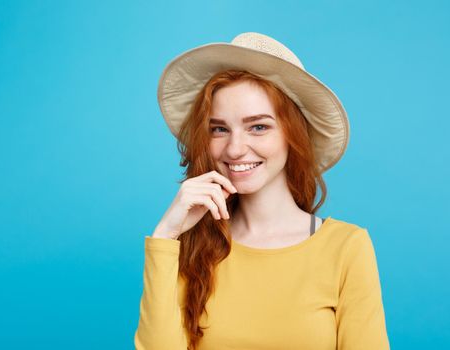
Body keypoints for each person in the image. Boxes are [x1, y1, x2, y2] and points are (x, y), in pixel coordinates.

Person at [134, 32, 390, 350]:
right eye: (220, 129)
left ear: (293, 135)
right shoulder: (190, 245)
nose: (236, 148)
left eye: (258, 126)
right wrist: (164, 237)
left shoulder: (347, 248)